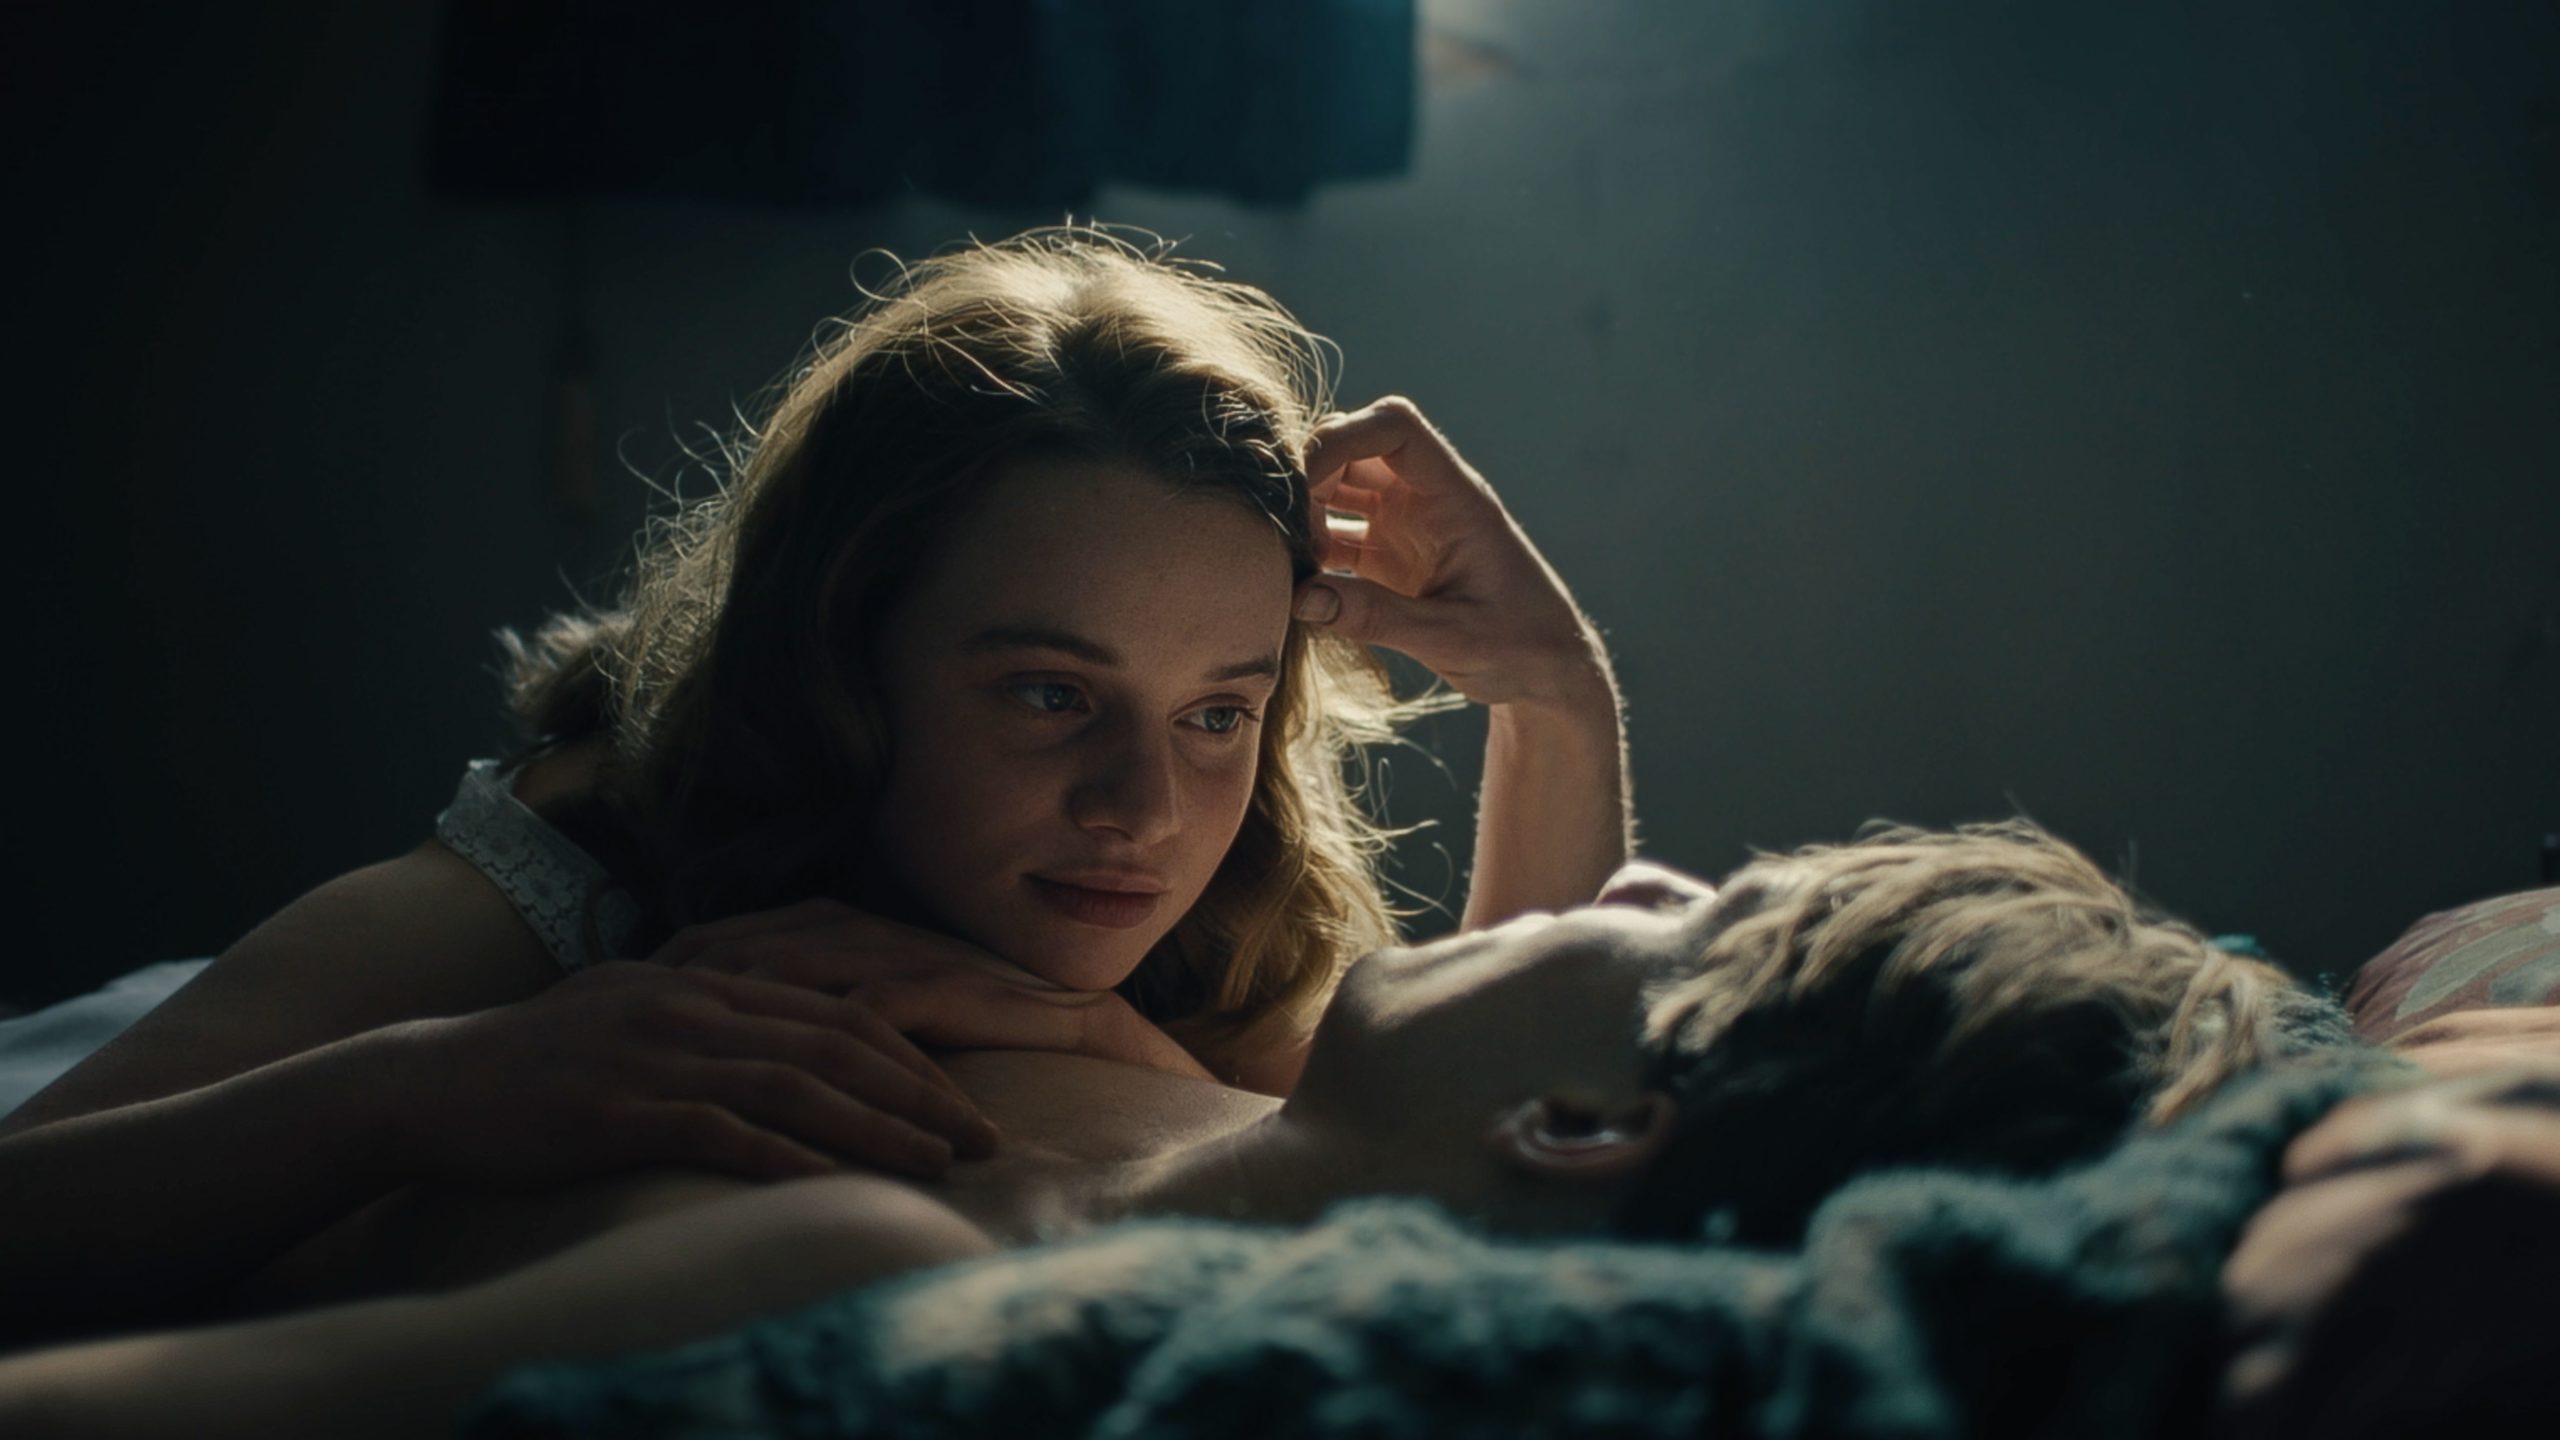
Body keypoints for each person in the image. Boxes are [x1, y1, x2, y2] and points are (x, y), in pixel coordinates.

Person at [0, 225, 1633, 1343]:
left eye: (1220, 713)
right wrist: (425, 1088)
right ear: (842, 659)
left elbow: (1466, 1155)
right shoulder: (578, 876)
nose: (1141, 807)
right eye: (1050, 695)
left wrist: (1557, 700)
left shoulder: (1214, 918)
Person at [0, 823, 2349, 1439]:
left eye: (1687, 910)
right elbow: (1496, 1088)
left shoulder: (867, 1290)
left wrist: (408, 1097)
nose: (1634, 867)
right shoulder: (1160, 1084)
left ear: (1574, 1126)